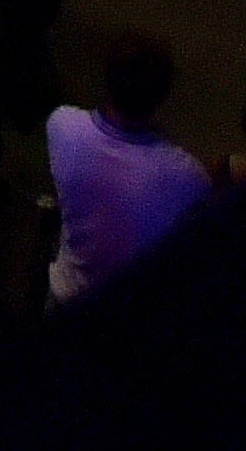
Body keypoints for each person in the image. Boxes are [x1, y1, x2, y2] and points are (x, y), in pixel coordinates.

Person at [39, 35, 210, 301]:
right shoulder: (189, 177)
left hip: (65, 299)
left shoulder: (63, 126)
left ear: (107, 79)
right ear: (162, 96)